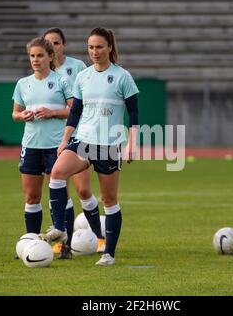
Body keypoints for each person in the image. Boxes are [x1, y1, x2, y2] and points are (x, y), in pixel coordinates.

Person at [40, 27, 139, 266]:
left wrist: (132, 145)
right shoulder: (83, 76)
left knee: (109, 200)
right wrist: (65, 139)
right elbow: (75, 111)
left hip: (109, 144)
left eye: (99, 47)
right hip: (82, 140)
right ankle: (61, 228)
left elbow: (134, 114)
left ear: (110, 48)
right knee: (57, 174)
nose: (94, 52)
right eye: (91, 47)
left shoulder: (123, 76)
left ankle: (109, 254)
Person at [42, 28, 106, 257]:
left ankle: (100, 239)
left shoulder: (78, 67)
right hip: (51, 139)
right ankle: (63, 245)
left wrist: (53, 112)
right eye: (48, 43)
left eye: (56, 43)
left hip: (79, 136)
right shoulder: (41, 72)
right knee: (59, 190)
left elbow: (80, 106)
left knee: (83, 189)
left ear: (64, 44)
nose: (52, 47)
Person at [11, 37, 73, 256]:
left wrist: (52, 112)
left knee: (59, 195)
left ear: (50, 57)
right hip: (31, 145)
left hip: (56, 146)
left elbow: (74, 111)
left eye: (40, 55)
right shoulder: (23, 84)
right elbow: (15, 114)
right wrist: (23, 116)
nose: (35, 60)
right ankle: (32, 244)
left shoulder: (62, 81)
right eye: (32, 56)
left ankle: (65, 244)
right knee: (32, 197)